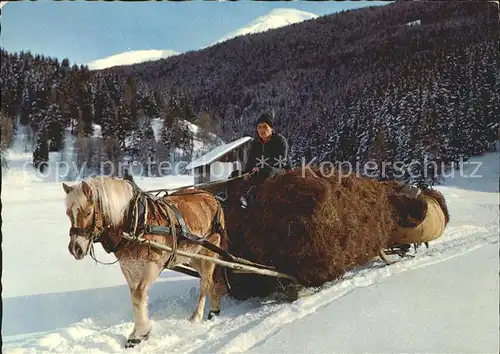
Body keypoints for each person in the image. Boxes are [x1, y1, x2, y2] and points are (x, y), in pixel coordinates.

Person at [240, 113, 289, 207]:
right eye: (259, 127)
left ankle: (250, 197)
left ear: (271, 128)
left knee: (267, 171)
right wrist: (244, 173)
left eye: (265, 126)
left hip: (280, 171)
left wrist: (261, 168)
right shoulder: (256, 143)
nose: (261, 130)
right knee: (237, 174)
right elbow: (250, 162)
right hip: (260, 171)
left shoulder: (280, 140)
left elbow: (281, 162)